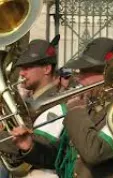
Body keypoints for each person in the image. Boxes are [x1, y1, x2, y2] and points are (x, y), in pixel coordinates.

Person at [10, 37, 113, 178]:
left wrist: (76, 112)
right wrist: (30, 146)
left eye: (85, 71)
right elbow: (61, 157)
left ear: (107, 74)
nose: (79, 78)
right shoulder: (91, 107)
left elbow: (94, 152)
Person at [0, 36, 65, 178]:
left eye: (27, 68)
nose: (22, 73)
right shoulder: (32, 100)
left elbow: (36, 143)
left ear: (47, 68)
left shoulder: (56, 103)